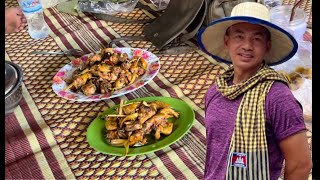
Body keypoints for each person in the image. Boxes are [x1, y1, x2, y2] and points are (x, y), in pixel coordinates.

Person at [197, 2, 312, 180]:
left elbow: (300, 164)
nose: (247, 46)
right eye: (239, 36)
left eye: (257, 38)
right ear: (227, 41)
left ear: (268, 46)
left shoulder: (277, 98)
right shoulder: (217, 88)